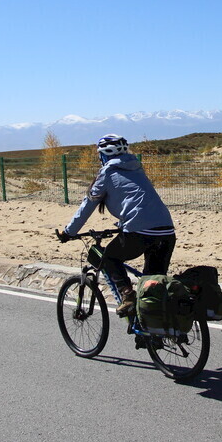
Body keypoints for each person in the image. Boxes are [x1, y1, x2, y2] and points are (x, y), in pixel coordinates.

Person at [57, 134, 175, 317]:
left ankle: (127, 295)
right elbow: (136, 201)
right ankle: (153, 333)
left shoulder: (107, 173)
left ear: (103, 155)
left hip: (140, 231)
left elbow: (87, 205)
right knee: (152, 286)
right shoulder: (136, 167)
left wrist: (68, 232)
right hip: (167, 230)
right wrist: (122, 223)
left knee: (109, 258)